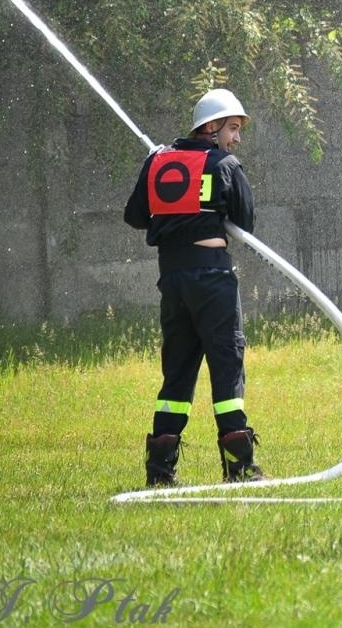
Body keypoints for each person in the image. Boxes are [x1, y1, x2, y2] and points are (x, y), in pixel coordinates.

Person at [124, 88, 267, 485]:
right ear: (211, 126)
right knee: (227, 367)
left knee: (178, 374)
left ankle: (159, 471)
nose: (237, 138)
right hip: (213, 277)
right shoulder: (224, 164)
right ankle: (239, 466)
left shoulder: (158, 162)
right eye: (233, 128)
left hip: (172, 281)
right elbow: (245, 222)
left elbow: (135, 216)